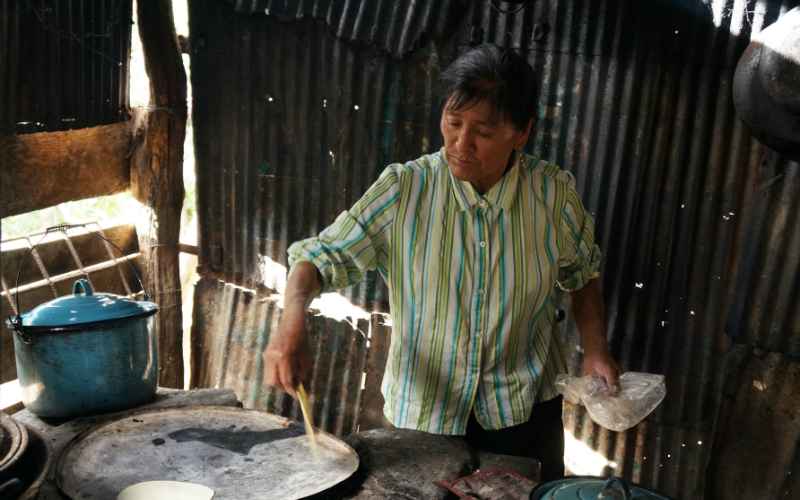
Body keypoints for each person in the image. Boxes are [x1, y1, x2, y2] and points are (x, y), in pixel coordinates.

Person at [263, 43, 622, 480]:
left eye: (484, 133)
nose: (460, 143)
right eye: (453, 123)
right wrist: (291, 322)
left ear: (522, 134)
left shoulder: (553, 196)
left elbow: (582, 277)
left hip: (525, 412)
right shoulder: (404, 190)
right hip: (426, 418)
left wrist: (597, 351)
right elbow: (319, 258)